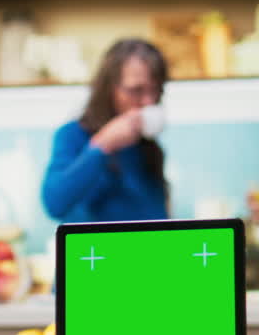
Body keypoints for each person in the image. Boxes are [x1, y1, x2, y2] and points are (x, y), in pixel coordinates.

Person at [42, 38, 168, 224]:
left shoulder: (147, 146)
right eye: (136, 90)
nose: (148, 102)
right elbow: (55, 205)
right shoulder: (72, 135)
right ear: (110, 88)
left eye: (155, 91)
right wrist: (102, 144)